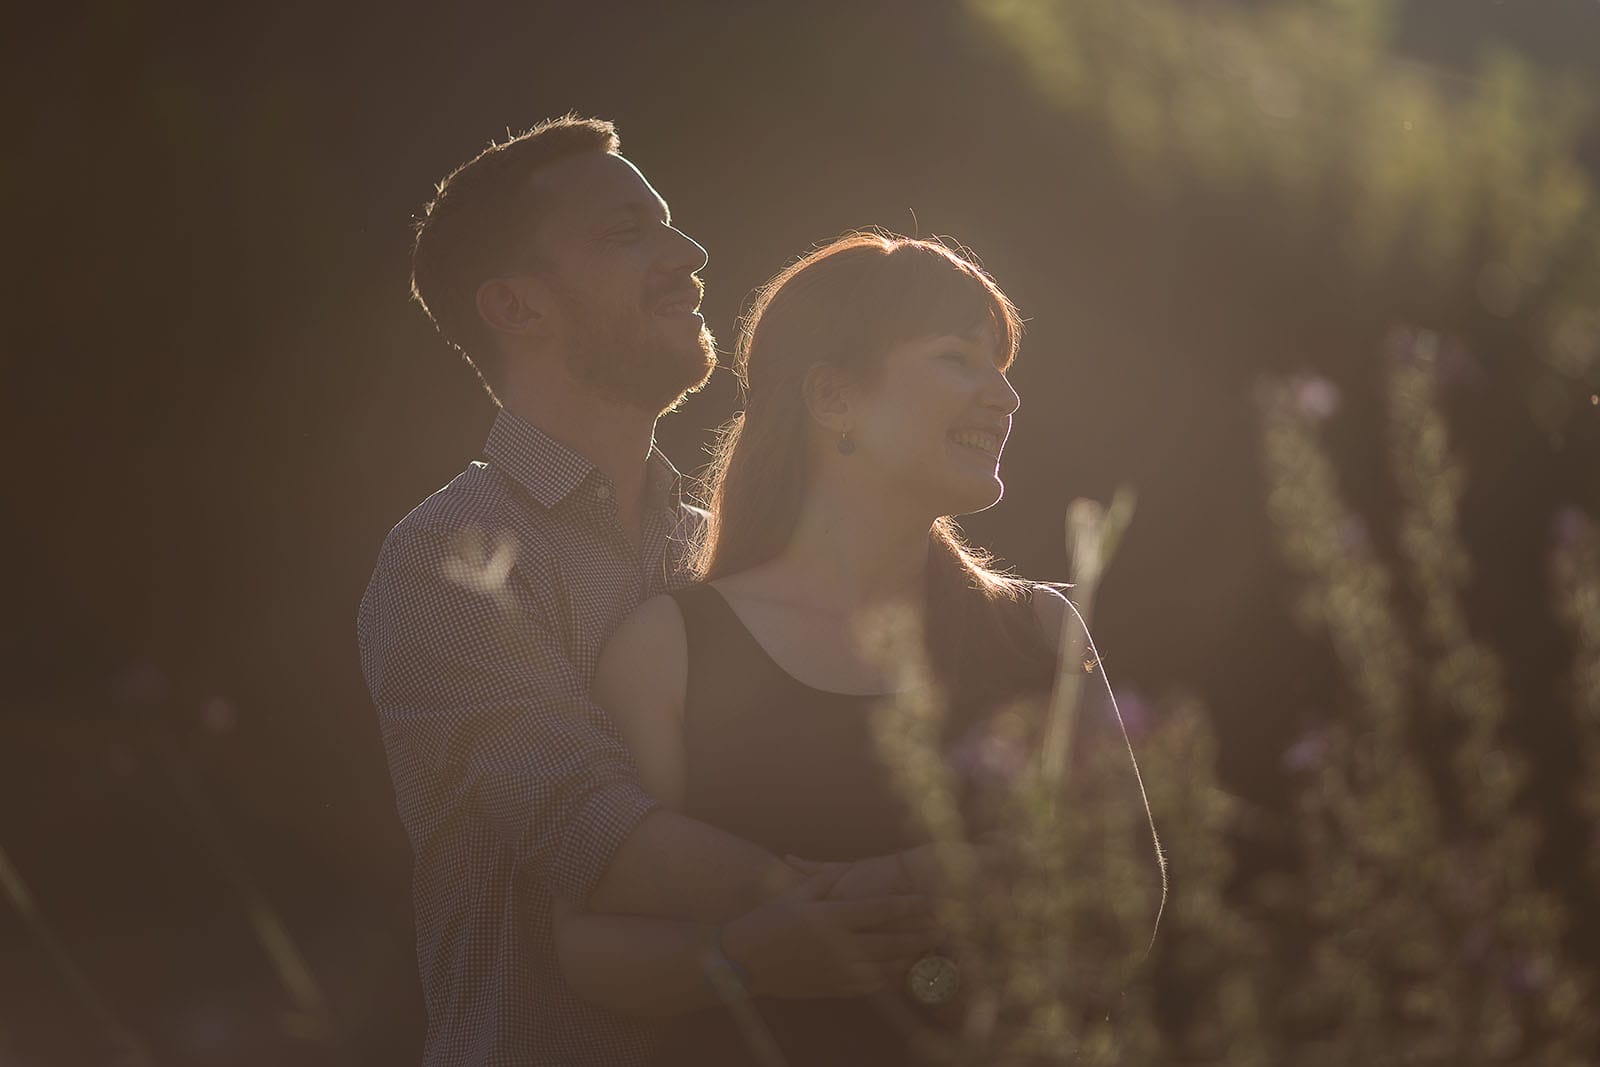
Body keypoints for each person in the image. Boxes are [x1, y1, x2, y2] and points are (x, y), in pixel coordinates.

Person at [358, 119, 940, 1067]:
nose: (690, 255)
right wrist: (866, 901)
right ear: (517, 306)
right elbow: (587, 825)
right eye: (627, 235)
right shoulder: (445, 559)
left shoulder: (717, 546)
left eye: (669, 225)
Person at [554, 232, 1164, 1064]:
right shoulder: (668, 650)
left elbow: (1132, 899)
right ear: (834, 399)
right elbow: (586, 948)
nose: (1007, 398)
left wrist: (920, 880)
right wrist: (750, 958)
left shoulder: (1043, 632)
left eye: (1003, 365)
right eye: (959, 358)